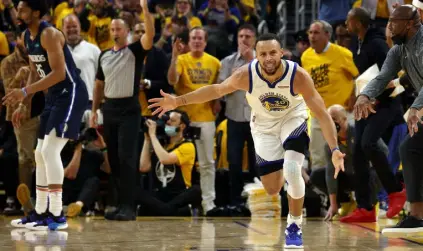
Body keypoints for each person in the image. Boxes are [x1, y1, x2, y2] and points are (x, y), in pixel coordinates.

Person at [149, 33, 345, 248]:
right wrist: (178, 100)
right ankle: (282, 167)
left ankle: (294, 225)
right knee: (272, 189)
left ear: (281, 53)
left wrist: (334, 148)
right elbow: (217, 90)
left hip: (293, 120)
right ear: (256, 56)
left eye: (273, 53)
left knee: (292, 169)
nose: (268, 58)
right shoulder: (246, 75)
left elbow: (322, 113)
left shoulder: (297, 76)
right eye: (263, 54)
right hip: (263, 127)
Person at [3, 0, 89, 231]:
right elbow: (34, 70)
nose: (18, 12)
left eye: (23, 9)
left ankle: (57, 213)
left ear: (37, 12)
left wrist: (23, 91)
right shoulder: (26, 36)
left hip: (70, 93)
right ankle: (40, 213)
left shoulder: (49, 34)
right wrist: (24, 103)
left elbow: (60, 73)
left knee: (50, 151)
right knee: (39, 153)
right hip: (53, 97)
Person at [354, 4, 423, 234]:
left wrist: (415, 107)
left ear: (411, 24)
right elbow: (383, 77)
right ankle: (416, 215)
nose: (389, 26)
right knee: (409, 150)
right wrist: (364, 95)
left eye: (395, 22)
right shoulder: (397, 51)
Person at [90, 0, 154, 221]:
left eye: (119, 29)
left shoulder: (135, 51)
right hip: (110, 108)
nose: (115, 32)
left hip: (129, 109)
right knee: (114, 159)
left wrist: (145, 10)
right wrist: (94, 110)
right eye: (112, 29)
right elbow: (98, 84)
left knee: (127, 158)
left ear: (127, 32)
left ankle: (129, 206)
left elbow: (150, 37)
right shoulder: (103, 55)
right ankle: (117, 203)